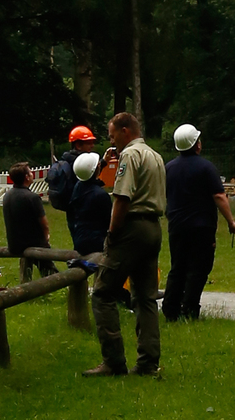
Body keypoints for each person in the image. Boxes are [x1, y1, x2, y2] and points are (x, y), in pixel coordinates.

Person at [84, 112, 164, 378]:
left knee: (103, 292)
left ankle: (113, 361)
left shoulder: (129, 156)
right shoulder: (155, 156)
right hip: (153, 227)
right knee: (145, 297)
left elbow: (122, 198)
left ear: (125, 130)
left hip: (131, 227)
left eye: (112, 135)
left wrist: (112, 232)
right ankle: (148, 363)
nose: (111, 141)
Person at [161, 122, 235, 323]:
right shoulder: (206, 167)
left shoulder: (168, 168)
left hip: (177, 226)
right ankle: (189, 310)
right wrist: (231, 222)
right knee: (198, 268)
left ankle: (170, 309)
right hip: (201, 228)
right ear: (197, 144)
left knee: (177, 267)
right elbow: (220, 196)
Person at [1, 162, 51, 278]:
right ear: (27, 177)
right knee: (49, 269)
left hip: (14, 244)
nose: (32, 174)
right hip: (33, 243)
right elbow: (44, 223)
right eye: (30, 172)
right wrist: (46, 237)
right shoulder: (32, 197)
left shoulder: (7, 195)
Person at [66, 152, 113, 261]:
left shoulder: (78, 187)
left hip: (80, 240)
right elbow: (110, 222)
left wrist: (104, 161)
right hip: (96, 243)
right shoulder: (100, 195)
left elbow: (89, 175)